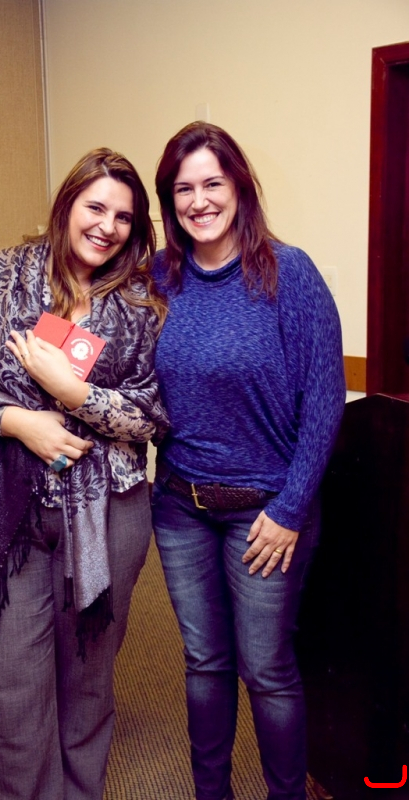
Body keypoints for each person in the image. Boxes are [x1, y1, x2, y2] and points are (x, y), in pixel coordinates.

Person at [0, 148, 168, 800]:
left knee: (88, 682)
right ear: (66, 205)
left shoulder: (140, 305)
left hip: (109, 514)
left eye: (123, 217)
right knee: (14, 686)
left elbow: (150, 414)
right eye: (95, 207)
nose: (107, 226)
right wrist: (17, 421)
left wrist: (73, 393)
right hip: (8, 513)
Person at [151, 122, 346, 800]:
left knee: (264, 669)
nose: (199, 200)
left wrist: (290, 510)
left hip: (266, 513)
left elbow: (324, 401)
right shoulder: (158, 276)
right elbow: (79, 311)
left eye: (212, 183)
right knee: (203, 663)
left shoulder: (288, 273)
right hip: (179, 506)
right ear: (169, 200)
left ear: (238, 186)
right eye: (183, 189)